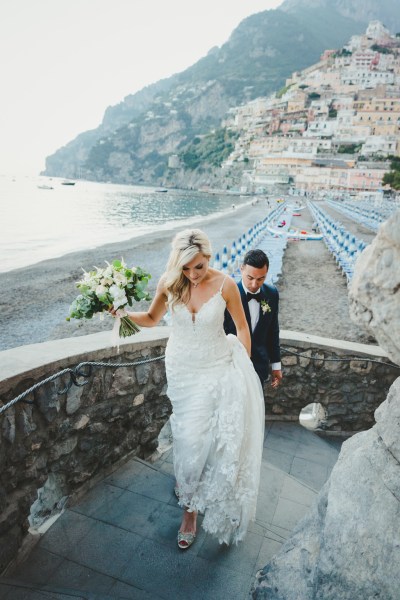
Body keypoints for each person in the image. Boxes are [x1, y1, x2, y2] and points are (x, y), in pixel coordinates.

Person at [119, 229, 264, 549]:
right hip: (182, 369)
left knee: (205, 437)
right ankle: (190, 491)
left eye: (198, 266)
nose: (192, 274)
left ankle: (190, 510)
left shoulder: (226, 285)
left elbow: (241, 327)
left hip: (215, 366)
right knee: (187, 436)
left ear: (208, 258)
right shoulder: (168, 283)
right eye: (185, 268)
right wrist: (123, 315)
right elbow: (152, 318)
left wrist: (244, 366)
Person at [224, 249, 282, 387]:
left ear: (267, 273)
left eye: (261, 279)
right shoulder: (227, 294)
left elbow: (273, 332)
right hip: (232, 368)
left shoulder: (272, 294)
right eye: (250, 278)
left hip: (259, 369)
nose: (255, 284)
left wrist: (276, 365)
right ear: (242, 269)